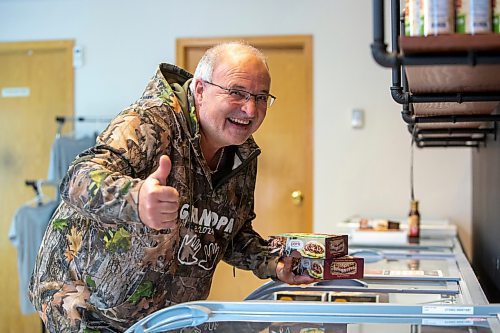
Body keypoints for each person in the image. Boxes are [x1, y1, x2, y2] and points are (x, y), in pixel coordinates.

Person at [29, 42, 315, 333]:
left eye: (261, 97)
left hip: (165, 319)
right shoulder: (149, 121)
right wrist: (136, 199)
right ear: (200, 90)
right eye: (237, 93)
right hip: (88, 309)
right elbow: (78, 178)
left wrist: (274, 263)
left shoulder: (240, 154)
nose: (250, 109)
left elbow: (229, 233)